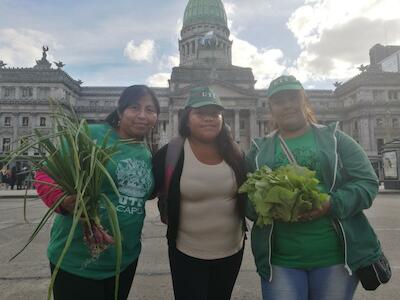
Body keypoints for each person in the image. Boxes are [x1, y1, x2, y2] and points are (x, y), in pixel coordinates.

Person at [245, 75, 381, 300]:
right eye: (279, 101)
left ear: (304, 100)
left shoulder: (337, 139)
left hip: (336, 257)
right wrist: (268, 207)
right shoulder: (258, 150)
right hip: (280, 260)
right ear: (269, 107)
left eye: (293, 98)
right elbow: (246, 199)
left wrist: (331, 203)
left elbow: (368, 183)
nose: (287, 105)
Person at [34, 85, 160, 300]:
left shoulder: (146, 154)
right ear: (120, 111)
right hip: (76, 258)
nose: (142, 115)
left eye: (150, 109)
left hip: (124, 259)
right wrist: (63, 201)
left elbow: (146, 194)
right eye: (134, 107)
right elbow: (45, 174)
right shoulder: (90, 134)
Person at [153, 87, 247, 300]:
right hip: (185, 251)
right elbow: (141, 187)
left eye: (214, 114)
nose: (208, 119)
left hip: (232, 250)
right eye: (200, 114)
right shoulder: (170, 153)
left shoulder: (236, 152)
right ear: (186, 118)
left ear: (222, 119)